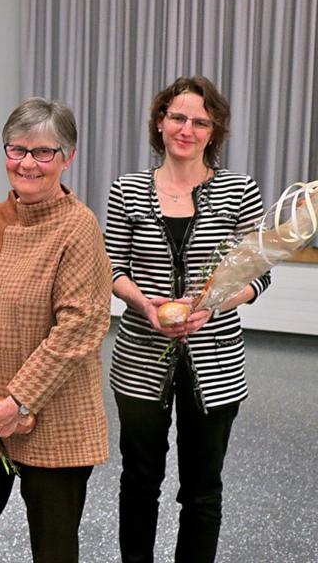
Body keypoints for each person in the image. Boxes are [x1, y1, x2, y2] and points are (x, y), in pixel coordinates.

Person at [0, 98, 110, 563]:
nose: (27, 163)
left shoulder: (79, 228)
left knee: (53, 549)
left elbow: (80, 326)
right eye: (17, 150)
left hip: (52, 418)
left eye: (42, 152)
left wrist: (17, 403)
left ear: (67, 157)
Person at [106, 76, 269, 563]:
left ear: (213, 130)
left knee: (202, 490)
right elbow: (112, 267)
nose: (187, 129)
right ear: (160, 122)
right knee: (139, 481)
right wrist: (146, 307)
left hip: (216, 363)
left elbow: (258, 277)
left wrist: (214, 304)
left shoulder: (241, 190)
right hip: (139, 361)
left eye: (200, 121)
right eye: (177, 117)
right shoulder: (127, 189)